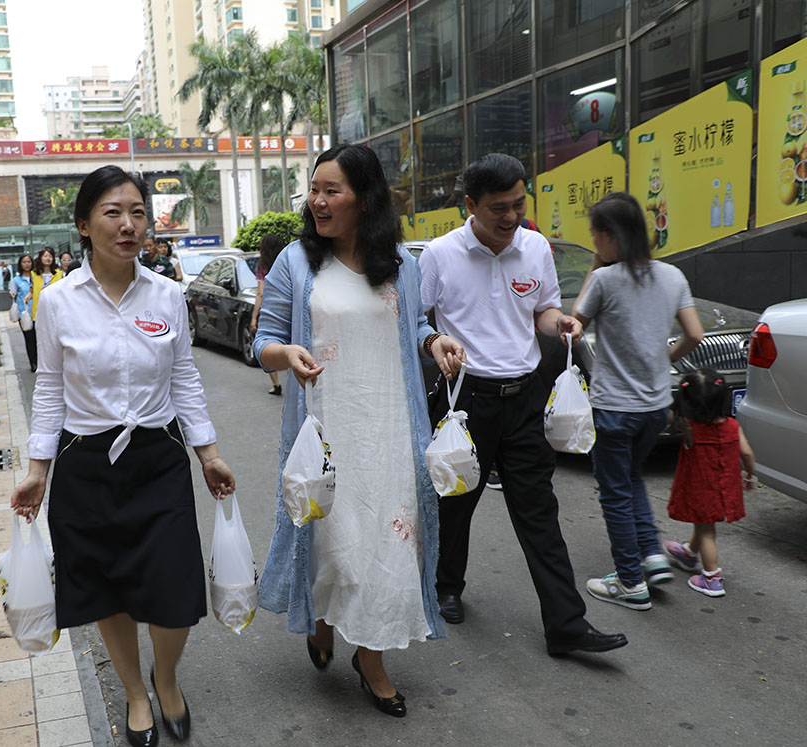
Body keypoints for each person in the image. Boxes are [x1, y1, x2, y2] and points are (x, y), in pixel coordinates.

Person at [11, 165, 235, 747]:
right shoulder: (58, 300)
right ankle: (135, 692)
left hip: (158, 457)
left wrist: (208, 453)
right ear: (85, 225)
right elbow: (49, 387)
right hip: (86, 463)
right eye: (112, 213)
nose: (128, 224)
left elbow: (184, 377)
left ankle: (166, 677)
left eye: (137, 212)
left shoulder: (167, 293)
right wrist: (37, 469)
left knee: (173, 588)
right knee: (106, 588)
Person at [254, 144, 466, 718]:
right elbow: (262, 341)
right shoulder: (296, 262)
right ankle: (323, 620)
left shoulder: (400, 263)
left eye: (332, 190)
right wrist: (286, 354)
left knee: (387, 548)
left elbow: (414, 323)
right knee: (334, 546)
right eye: (314, 190)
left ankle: (371, 659)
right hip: (327, 431)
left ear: (364, 198)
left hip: (391, 433)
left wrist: (433, 341)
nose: (318, 201)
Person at [418, 153, 627, 656]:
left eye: (518, 204)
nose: (511, 216)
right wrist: (434, 341)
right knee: (456, 500)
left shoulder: (535, 247)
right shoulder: (440, 255)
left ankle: (566, 624)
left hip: (525, 397)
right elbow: (416, 320)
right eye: (499, 208)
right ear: (471, 205)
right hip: (465, 401)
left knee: (539, 511)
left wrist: (561, 324)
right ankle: (447, 587)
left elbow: (543, 311)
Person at [571, 192, 705, 610]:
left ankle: (630, 581)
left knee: (614, 492)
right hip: (656, 407)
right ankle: (652, 556)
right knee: (632, 478)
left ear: (610, 236)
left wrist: (595, 268)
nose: (594, 244)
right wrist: (665, 359)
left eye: (595, 236)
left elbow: (574, 325)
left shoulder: (606, 280)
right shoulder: (673, 276)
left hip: (614, 408)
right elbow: (695, 334)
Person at [662, 368, 755, 598]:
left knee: (706, 531)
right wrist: (750, 475)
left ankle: (711, 579)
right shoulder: (733, 426)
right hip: (725, 488)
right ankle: (689, 554)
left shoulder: (689, 427)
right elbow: (747, 453)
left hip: (702, 489)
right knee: (704, 523)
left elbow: (666, 416)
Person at [249, 233, 285, 396]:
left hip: (271, 311)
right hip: (288, 308)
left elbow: (260, 293)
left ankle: (276, 384)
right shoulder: (286, 262)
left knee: (268, 343)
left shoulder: (263, 267)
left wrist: (254, 318)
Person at [10, 253, 38, 371]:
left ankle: (42, 362)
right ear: (20, 264)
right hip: (24, 314)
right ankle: (33, 363)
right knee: (29, 339)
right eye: (24, 262)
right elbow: (13, 294)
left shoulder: (37, 277)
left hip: (38, 312)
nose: (27, 264)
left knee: (40, 339)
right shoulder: (16, 280)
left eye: (29, 262)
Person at [29, 247, 58, 331]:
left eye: (50, 256)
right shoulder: (33, 274)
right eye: (45, 256)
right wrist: (27, 297)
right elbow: (31, 290)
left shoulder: (59, 274)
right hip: (38, 310)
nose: (48, 258)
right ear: (40, 258)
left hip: (55, 309)